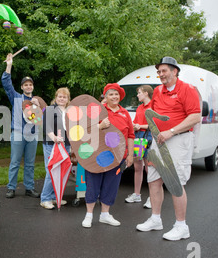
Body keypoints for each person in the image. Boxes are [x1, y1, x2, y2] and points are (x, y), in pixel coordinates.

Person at [136, 57, 201, 241]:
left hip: (178, 139)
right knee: (154, 179)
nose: (161, 75)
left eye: (164, 71)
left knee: (175, 182)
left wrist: (171, 131)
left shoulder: (187, 89)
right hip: (159, 139)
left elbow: (195, 116)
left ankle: (181, 226)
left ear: (175, 71)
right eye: (159, 72)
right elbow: (154, 112)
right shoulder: (157, 91)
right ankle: (156, 219)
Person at [82, 83, 134, 228]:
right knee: (93, 184)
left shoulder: (125, 113)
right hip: (97, 155)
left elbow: (130, 135)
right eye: (111, 94)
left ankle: (105, 214)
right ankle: (89, 215)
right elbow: (85, 131)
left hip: (118, 157)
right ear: (105, 96)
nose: (114, 96)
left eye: (116, 94)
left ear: (120, 96)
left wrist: (130, 155)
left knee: (111, 185)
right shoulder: (97, 111)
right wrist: (100, 126)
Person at [1, 53, 40, 198]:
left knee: (30, 163)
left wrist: (38, 106)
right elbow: (6, 82)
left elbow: (41, 118)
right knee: (15, 161)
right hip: (18, 132)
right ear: (22, 87)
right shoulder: (16, 97)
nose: (28, 86)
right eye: (25, 85)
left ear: (33, 87)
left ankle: (29, 188)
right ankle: (11, 188)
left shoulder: (37, 100)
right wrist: (9, 65)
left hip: (32, 134)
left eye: (30, 84)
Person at [40, 88, 72, 209]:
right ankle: (45, 198)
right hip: (51, 144)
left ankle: (54, 197)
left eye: (64, 97)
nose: (62, 99)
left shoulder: (69, 111)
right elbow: (46, 127)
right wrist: (54, 138)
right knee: (51, 171)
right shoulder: (50, 110)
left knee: (60, 171)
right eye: (60, 96)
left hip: (66, 144)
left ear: (68, 99)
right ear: (56, 97)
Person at [125, 85, 153, 208]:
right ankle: (137, 194)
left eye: (139, 93)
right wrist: (135, 126)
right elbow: (137, 122)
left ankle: (153, 197)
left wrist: (140, 126)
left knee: (149, 168)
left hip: (149, 137)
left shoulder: (153, 106)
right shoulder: (140, 107)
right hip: (139, 136)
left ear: (146, 93)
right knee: (138, 167)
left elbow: (155, 125)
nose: (137, 95)